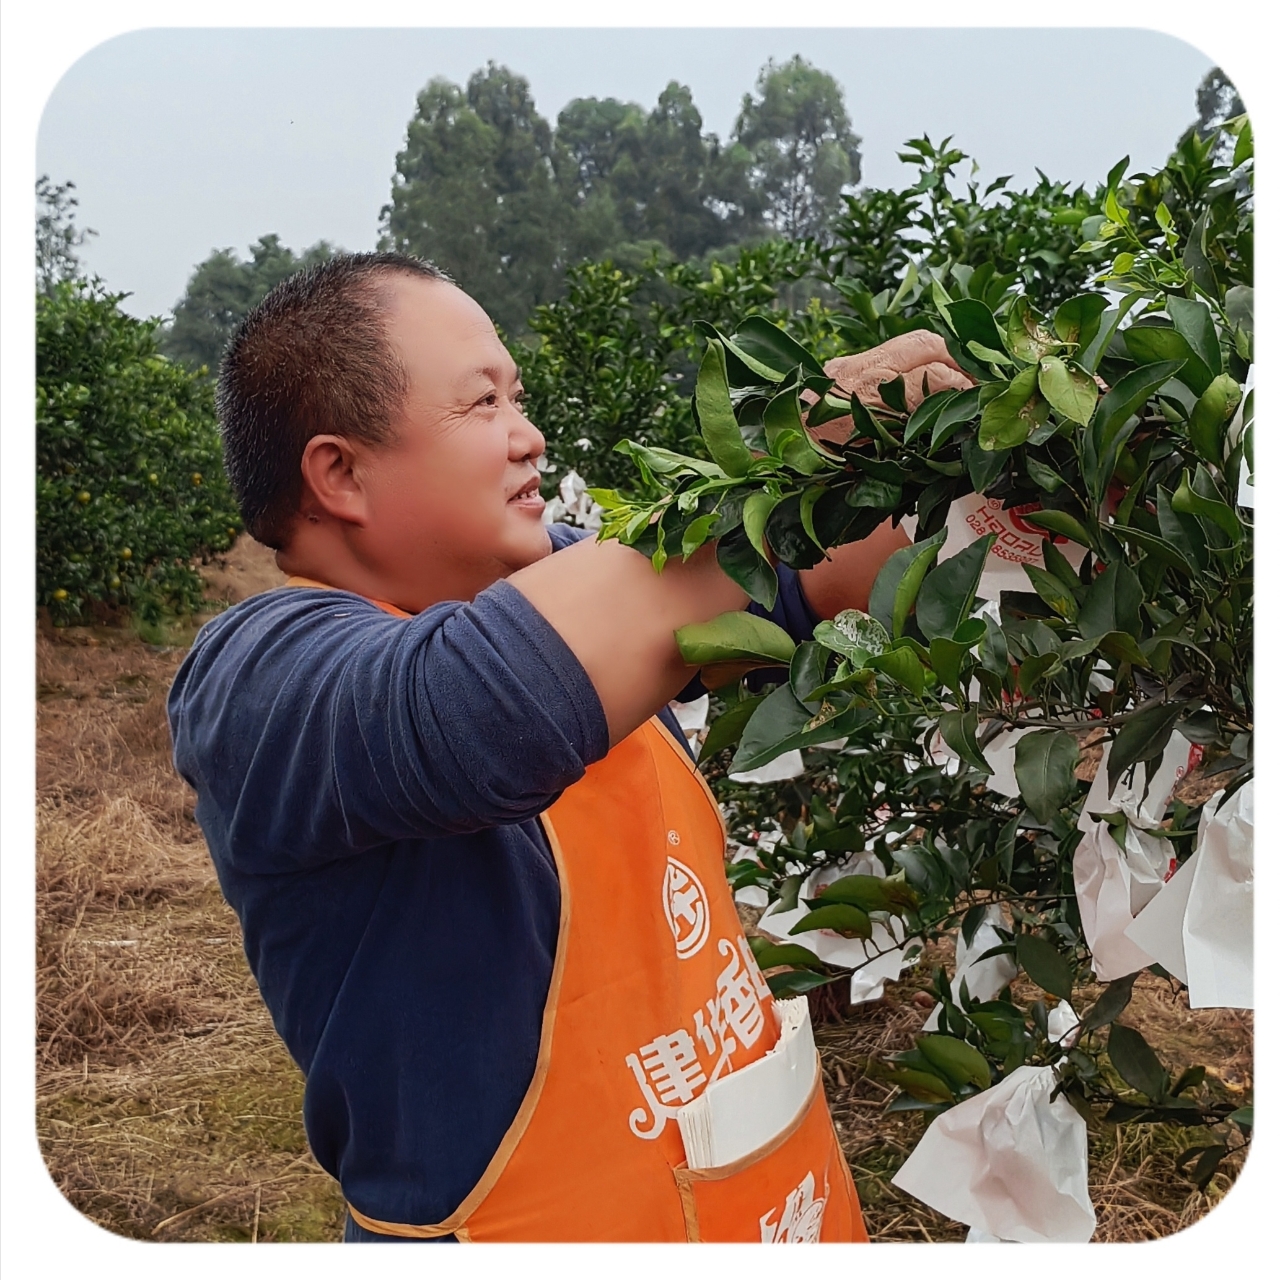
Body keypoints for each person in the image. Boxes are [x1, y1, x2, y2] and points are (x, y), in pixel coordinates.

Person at [167, 253, 969, 1242]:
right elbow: (481, 705)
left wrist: (984, 468)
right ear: (340, 472)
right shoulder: (259, 676)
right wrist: (786, 465)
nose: (529, 435)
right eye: (482, 404)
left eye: (520, 396)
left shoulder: (572, 584)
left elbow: (813, 578)